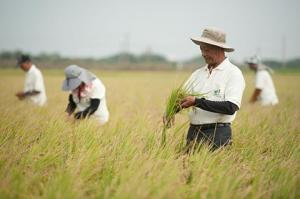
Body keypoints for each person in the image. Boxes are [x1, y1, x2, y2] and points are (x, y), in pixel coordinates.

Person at [177, 28, 245, 150]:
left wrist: (197, 102)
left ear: (220, 49)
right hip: (193, 134)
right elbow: (181, 97)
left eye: (207, 49)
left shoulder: (233, 73)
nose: (203, 53)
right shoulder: (197, 74)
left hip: (218, 134)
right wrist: (172, 111)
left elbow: (231, 107)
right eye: (201, 49)